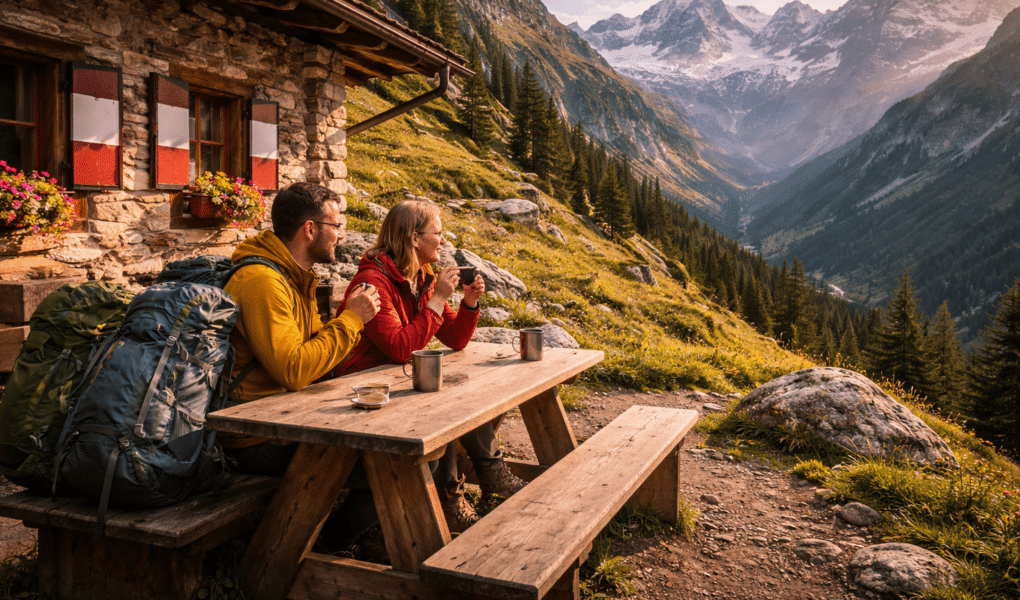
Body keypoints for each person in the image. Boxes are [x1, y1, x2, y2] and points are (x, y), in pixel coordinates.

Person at [334, 200, 525, 532]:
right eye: (437, 233)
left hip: (394, 386)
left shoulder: (421, 276)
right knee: (447, 404)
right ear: (413, 239)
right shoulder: (374, 282)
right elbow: (399, 347)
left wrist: (468, 302)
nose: (442, 240)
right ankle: (460, 495)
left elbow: (455, 337)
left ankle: (477, 482)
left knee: (457, 393)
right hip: (360, 395)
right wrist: (438, 299)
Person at [221, 182, 380, 473]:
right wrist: (351, 320)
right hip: (254, 436)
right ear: (310, 229)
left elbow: (313, 351)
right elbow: (294, 370)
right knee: (387, 462)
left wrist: (354, 324)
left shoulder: (294, 277)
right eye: (335, 224)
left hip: (285, 418)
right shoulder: (262, 282)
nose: (340, 234)